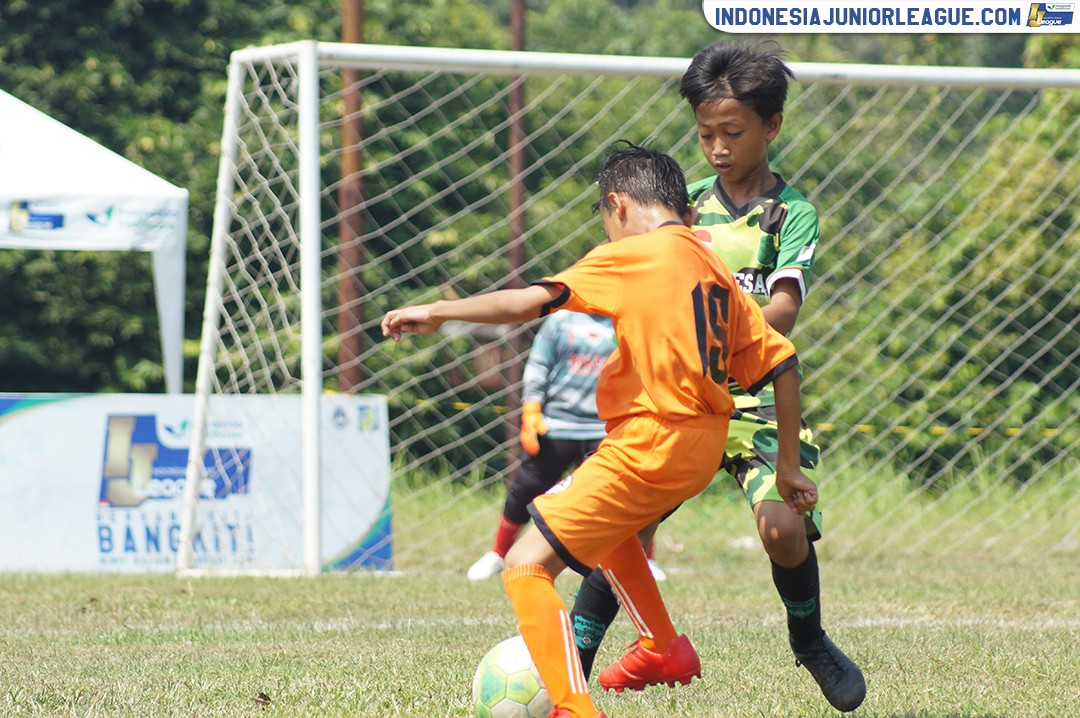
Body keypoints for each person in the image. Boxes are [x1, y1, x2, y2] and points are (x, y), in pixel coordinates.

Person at [383, 143, 816, 718]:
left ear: (616, 204)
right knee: (615, 535)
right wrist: (787, 466)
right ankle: (663, 648)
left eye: (606, 222)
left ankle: (572, 708)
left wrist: (441, 311)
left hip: (652, 442)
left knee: (525, 563)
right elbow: (782, 361)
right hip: (702, 442)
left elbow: (532, 301)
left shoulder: (635, 253)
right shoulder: (712, 265)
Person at [568, 41, 867, 713]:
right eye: (705, 134)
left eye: (732, 133)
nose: (718, 147)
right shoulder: (682, 209)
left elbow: (784, 308)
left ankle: (810, 641)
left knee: (783, 530)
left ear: (772, 127)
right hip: (680, 400)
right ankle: (571, 666)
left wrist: (727, 331)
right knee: (620, 524)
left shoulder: (792, 215)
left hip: (757, 398)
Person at [467, 311, 667, 582]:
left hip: (607, 428)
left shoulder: (629, 317)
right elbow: (539, 363)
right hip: (557, 424)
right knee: (525, 487)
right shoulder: (562, 320)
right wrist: (531, 410)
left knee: (627, 493)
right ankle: (498, 553)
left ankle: (645, 559)